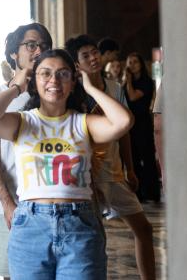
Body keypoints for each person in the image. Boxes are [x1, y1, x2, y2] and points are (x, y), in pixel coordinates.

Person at [0, 49, 133, 280]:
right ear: (34, 81)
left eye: (63, 74)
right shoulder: (23, 122)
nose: (54, 80)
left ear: (73, 81)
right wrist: (17, 87)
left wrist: (90, 87)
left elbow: (124, 121)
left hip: (79, 225)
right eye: (45, 73)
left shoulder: (83, 122)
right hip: (30, 225)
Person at [67, 36, 156, 280]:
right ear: (77, 64)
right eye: (85, 55)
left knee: (144, 229)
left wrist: (130, 169)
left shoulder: (114, 88)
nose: (93, 58)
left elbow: (123, 132)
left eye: (94, 52)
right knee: (95, 239)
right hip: (87, 176)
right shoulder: (74, 94)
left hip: (114, 172)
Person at [0, 22, 52, 279]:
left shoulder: (55, 94)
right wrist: (7, 203)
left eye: (44, 46)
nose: (38, 50)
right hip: (10, 206)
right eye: (31, 45)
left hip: (52, 206)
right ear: (14, 53)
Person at [124, 52, 161, 202]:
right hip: (130, 124)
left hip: (143, 123)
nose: (132, 65)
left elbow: (132, 97)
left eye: (135, 62)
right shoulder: (126, 82)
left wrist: (128, 81)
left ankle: (152, 192)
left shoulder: (146, 82)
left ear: (141, 64)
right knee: (133, 159)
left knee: (147, 158)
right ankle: (138, 193)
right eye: (129, 62)